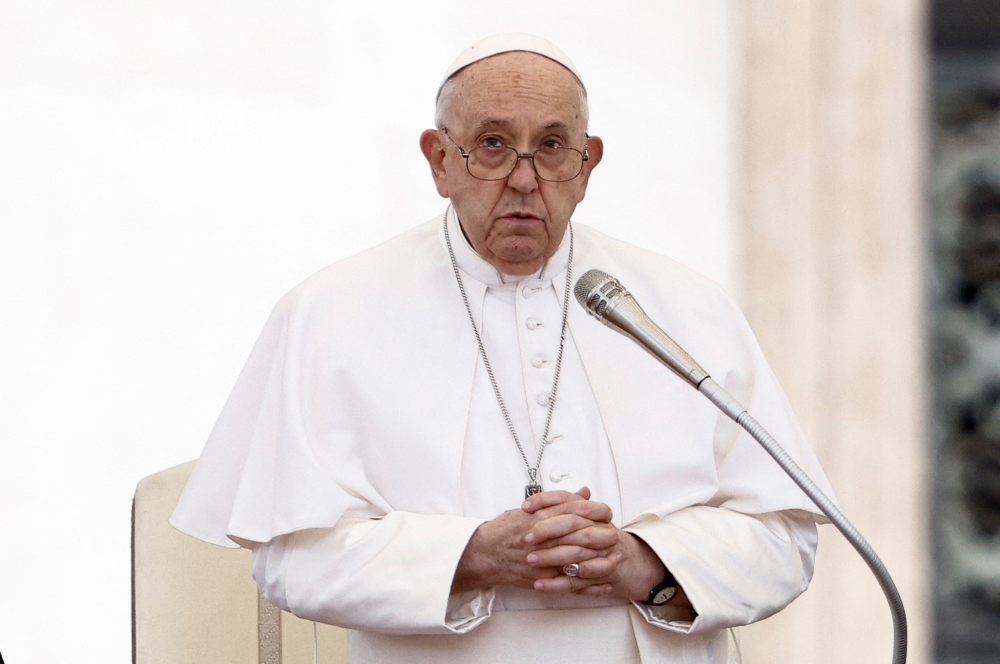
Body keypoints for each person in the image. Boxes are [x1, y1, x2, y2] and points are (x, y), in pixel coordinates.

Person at [170, 34, 835, 664]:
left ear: (587, 164)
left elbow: (785, 541)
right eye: (493, 145)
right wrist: (478, 554)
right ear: (439, 161)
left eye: (551, 146)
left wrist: (643, 563)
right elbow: (289, 561)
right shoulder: (329, 312)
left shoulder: (685, 309)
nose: (524, 179)